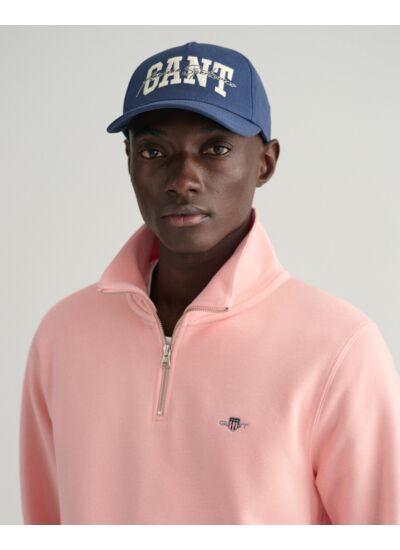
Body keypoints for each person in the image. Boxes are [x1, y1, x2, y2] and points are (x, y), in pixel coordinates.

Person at [19, 41, 400, 525]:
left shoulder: (339, 349)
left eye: (215, 149)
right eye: (154, 151)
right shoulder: (63, 335)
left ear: (265, 163)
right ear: (129, 160)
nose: (183, 179)